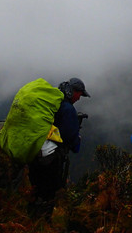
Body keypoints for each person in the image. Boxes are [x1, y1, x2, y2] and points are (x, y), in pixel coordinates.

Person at [27, 77, 90, 213]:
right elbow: (70, 138)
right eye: (80, 94)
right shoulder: (68, 109)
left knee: (36, 185)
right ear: (73, 91)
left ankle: (31, 215)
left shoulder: (55, 104)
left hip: (37, 151)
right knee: (50, 190)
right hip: (51, 157)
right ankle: (43, 222)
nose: (79, 98)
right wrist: (77, 137)